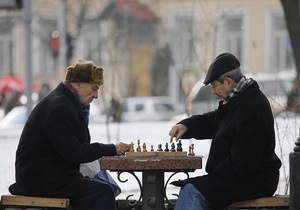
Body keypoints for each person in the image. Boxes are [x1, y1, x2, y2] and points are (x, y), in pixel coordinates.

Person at [9, 59, 130, 210]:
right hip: (40, 179)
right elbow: (73, 152)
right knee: (102, 191)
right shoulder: (60, 107)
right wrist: (111, 149)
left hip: (46, 175)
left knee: (101, 186)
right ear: (78, 84)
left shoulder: (65, 102)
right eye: (94, 88)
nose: (96, 95)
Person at [169, 53, 282, 210]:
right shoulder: (239, 100)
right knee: (191, 188)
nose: (213, 92)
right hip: (240, 177)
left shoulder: (251, 107)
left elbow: (243, 164)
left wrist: (212, 176)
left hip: (254, 180)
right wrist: (187, 126)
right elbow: (215, 121)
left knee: (191, 191)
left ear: (228, 82)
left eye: (215, 86)